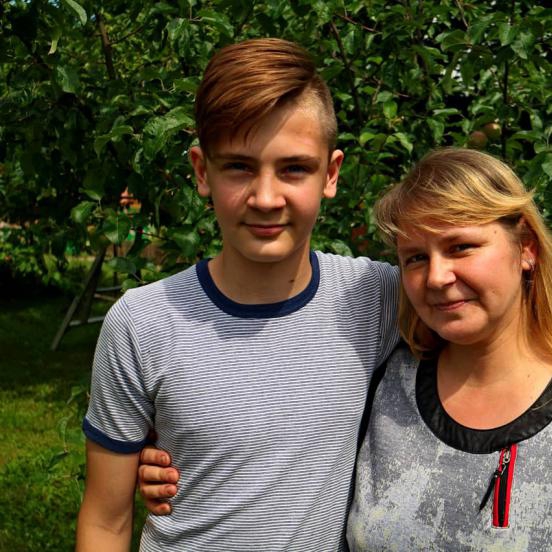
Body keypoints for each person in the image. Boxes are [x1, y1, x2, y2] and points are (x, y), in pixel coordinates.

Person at [76, 38, 400, 551]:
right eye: (239, 167)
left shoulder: (376, 298)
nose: (266, 198)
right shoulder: (141, 324)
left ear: (332, 173)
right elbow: (105, 521)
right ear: (202, 172)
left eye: (294, 168)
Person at [347, 148, 552, 550]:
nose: (436, 277)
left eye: (460, 247)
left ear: (526, 247)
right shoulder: (385, 383)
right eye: (416, 258)